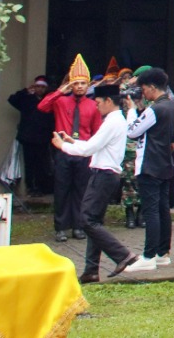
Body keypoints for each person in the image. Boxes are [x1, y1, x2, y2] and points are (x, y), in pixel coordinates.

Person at [53, 81, 134, 283]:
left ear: (108, 101)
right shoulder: (114, 120)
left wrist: (62, 146)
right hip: (104, 174)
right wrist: (73, 141)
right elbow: (94, 145)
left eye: (98, 102)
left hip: (104, 175)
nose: (96, 106)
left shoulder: (113, 122)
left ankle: (122, 255)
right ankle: (91, 270)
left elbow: (89, 149)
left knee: (87, 220)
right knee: (93, 221)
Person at [39, 54, 99, 241]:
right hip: (63, 151)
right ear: (71, 85)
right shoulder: (60, 101)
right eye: (76, 83)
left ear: (88, 85)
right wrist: (60, 91)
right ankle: (60, 227)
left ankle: (78, 227)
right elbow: (42, 107)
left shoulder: (94, 105)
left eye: (83, 83)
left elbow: (96, 132)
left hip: (83, 152)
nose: (79, 86)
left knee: (81, 190)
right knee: (62, 189)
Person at [123, 67, 174, 271]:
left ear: (152, 87)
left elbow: (132, 131)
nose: (143, 93)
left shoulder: (155, 109)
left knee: (151, 211)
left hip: (149, 164)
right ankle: (163, 253)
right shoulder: (172, 105)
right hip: (164, 162)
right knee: (163, 210)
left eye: (144, 88)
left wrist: (131, 110)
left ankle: (148, 256)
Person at [6, 75, 55, 197]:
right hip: (28, 138)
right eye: (37, 86)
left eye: (42, 87)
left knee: (43, 164)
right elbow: (12, 99)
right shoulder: (27, 99)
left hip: (43, 138)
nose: (40, 89)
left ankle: (43, 187)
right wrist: (25, 91)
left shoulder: (49, 100)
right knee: (30, 164)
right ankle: (31, 187)